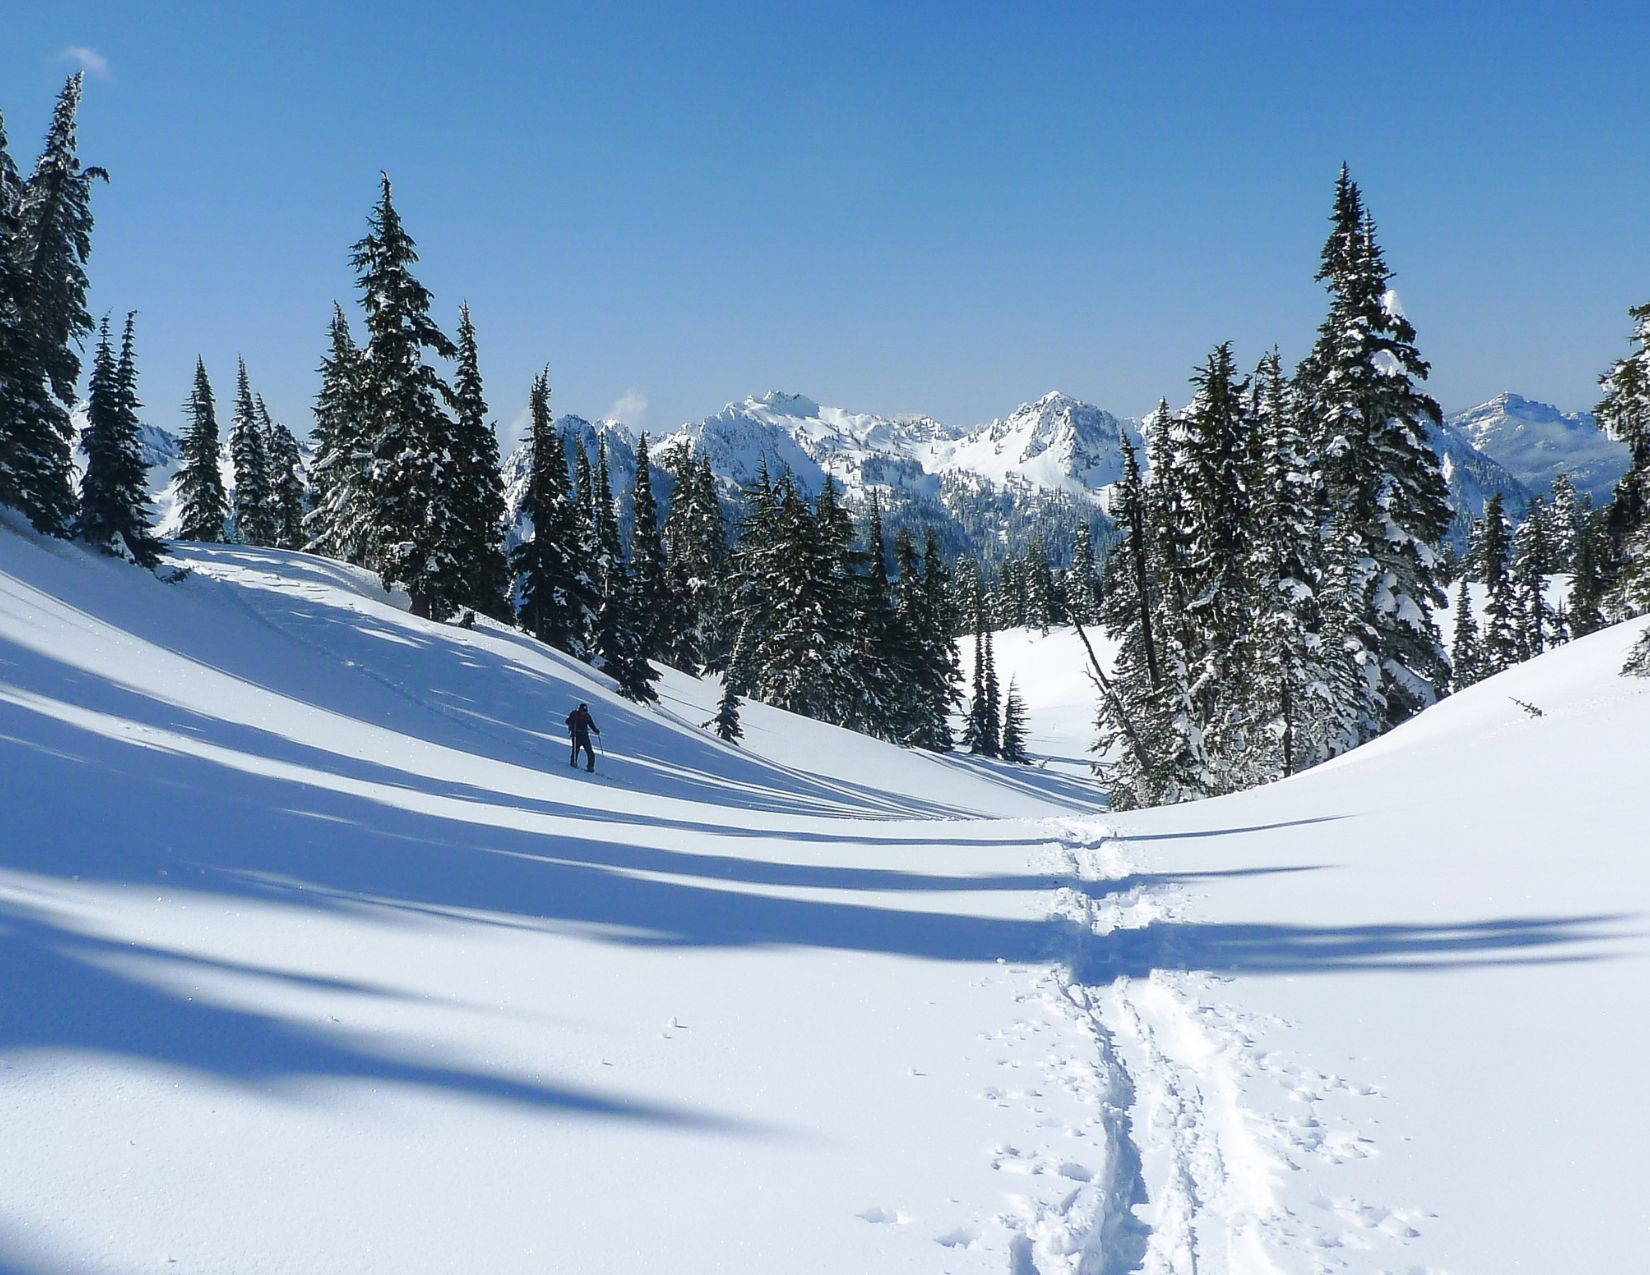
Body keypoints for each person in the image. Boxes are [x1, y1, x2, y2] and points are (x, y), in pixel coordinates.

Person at [566, 702, 600, 772]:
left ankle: (590, 767)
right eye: (582, 711)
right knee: (575, 750)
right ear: (579, 709)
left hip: (584, 735)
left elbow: (591, 724)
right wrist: (571, 723)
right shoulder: (574, 714)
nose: (583, 712)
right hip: (576, 735)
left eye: (585, 711)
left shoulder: (587, 716)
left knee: (590, 752)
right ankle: (573, 763)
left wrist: (595, 730)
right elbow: (567, 721)